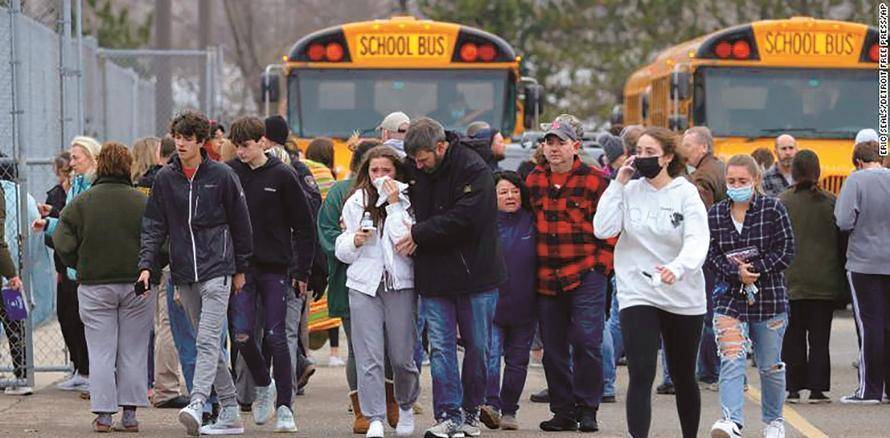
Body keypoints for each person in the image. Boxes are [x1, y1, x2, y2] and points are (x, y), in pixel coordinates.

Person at [138, 110, 253, 436]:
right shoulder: (165, 178)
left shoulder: (222, 176)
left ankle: (198, 401)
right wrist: (146, 265)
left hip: (218, 269)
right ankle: (230, 410)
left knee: (206, 340)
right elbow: (154, 225)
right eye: (178, 137)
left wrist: (241, 267)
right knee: (207, 345)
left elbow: (241, 223)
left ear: (201, 141)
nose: (182, 144)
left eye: (189, 138)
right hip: (183, 272)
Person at [594, 127, 709, 438]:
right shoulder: (628, 190)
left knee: (684, 375)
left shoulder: (685, 192)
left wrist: (679, 267)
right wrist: (618, 184)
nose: (642, 158)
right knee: (641, 372)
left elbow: (698, 239)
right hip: (637, 291)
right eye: (638, 151)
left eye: (650, 153)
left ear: (668, 157)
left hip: (682, 293)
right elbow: (603, 228)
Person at [399, 117, 505, 438]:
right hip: (434, 273)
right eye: (414, 160)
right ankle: (448, 413)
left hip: (476, 273)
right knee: (442, 348)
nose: (418, 165)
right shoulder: (414, 168)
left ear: (441, 147)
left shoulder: (474, 169)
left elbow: (466, 218)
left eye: (423, 159)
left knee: (477, 346)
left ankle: (471, 412)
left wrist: (419, 233)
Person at [52, 142, 153, 432]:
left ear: (100, 165)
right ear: (128, 166)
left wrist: (78, 262)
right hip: (138, 285)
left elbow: (61, 238)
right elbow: (162, 238)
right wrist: (152, 266)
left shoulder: (83, 202)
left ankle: (105, 414)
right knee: (133, 349)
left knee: (101, 350)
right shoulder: (142, 201)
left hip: (95, 283)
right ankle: (130, 414)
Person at [226, 116, 315, 431]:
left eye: (246, 146)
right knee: (242, 333)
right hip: (242, 269)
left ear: (262, 141)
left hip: (276, 267)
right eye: (236, 146)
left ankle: (286, 407)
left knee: (278, 335)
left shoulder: (283, 176)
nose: (241, 152)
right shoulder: (231, 174)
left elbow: (304, 226)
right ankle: (264, 384)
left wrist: (302, 271)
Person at [525, 120, 613, 433]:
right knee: (553, 347)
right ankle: (562, 410)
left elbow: (611, 225)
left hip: (586, 271)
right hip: (547, 275)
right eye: (549, 142)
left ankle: (588, 408)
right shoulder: (533, 180)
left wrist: (602, 266)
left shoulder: (595, 180)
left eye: (560, 142)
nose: (554, 148)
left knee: (588, 342)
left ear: (575, 147)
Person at [706, 154, 795, 438]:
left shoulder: (773, 209)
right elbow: (710, 255)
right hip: (729, 297)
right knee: (731, 358)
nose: (736, 185)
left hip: (768, 298)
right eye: (731, 181)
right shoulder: (716, 213)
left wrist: (755, 269)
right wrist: (736, 274)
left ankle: (773, 421)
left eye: (742, 181)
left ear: (755, 180)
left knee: (770, 366)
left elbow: (786, 250)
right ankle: (731, 420)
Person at [335, 146, 419, 438]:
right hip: (363, 285)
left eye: (387, 171)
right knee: (368, 355)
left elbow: (403, 243)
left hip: (399, 284)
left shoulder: (408, 200)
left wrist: (395, 204)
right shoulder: (356, 201)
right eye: (374, 171)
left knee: (401, 356)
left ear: (397, 172)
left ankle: (406, 405)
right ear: (366, 173)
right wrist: (354, 241)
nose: (380, 176)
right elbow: (342, 250)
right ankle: (374, 418)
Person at [318, 139, 389, 433]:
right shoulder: (339, 192)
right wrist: (350, 244)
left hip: (388, 280)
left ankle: (388, 402)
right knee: (360, 349)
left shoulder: (395, 192)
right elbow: (327, 233)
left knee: (389, 347)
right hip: (350, 281)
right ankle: (361, 408)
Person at [34, 136, 102, 393]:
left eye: (76, 157)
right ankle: (84, 370)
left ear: (91, 157)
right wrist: (49, 223)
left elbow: (82, 226)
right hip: (73, 266)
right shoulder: (76, 186)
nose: (71, 163)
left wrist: (54, 222)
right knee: (72, 318)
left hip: (92, 267)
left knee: (92, 326)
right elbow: (68, 224)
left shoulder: (94, 186)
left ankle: (96, 375)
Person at [779, 150, 845, 404]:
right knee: (820, 338)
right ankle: (818, 389)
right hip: (824, 282)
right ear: (817, 172)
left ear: (794, 172)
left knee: (792, 336)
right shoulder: (831, 201)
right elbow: (841, 241)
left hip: (791, 282)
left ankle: (793, 387)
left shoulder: (782, 201)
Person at [262, 115, 317, 398]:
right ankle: (292, 378)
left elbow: (306, 224)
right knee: (290, 328)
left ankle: (282, 387)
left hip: (286, 263)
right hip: (296, 265)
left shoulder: (286, 172)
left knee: (279, 328)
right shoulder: (302, 170)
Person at [479, 171, 537, 431]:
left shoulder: (532, 220)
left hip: (526, 305)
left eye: (514, 191)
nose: (510, 196)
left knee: (518, 361)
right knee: (490, 356)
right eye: (503, 192)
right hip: (491, 304)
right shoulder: (484, 223)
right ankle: (491, 406)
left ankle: (509, 409)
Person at [835, 140, 890, 404]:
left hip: (864, 262)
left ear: (858, 161)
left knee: (871, 326)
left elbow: (844, 220)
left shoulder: (855, 181)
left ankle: (870, 390)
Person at [680, 126, 727, 390]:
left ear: (703, 148)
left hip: (709, 250)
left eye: (688, 146)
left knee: (708, 311)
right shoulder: (716, 168)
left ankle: (711, 370)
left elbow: (700, 214)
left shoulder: (703, 177)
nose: (684, 150)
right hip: (718, 248)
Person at [42, 152, 90, 392]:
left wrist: (53, 218)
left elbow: (69, 229)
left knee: (80, 320)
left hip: (79, 267)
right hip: (66, 266)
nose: (65, 176)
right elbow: (60, 234)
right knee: (67, 318)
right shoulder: (59, 194)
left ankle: (86, 369)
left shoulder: (80, 193)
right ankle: (79, 367)